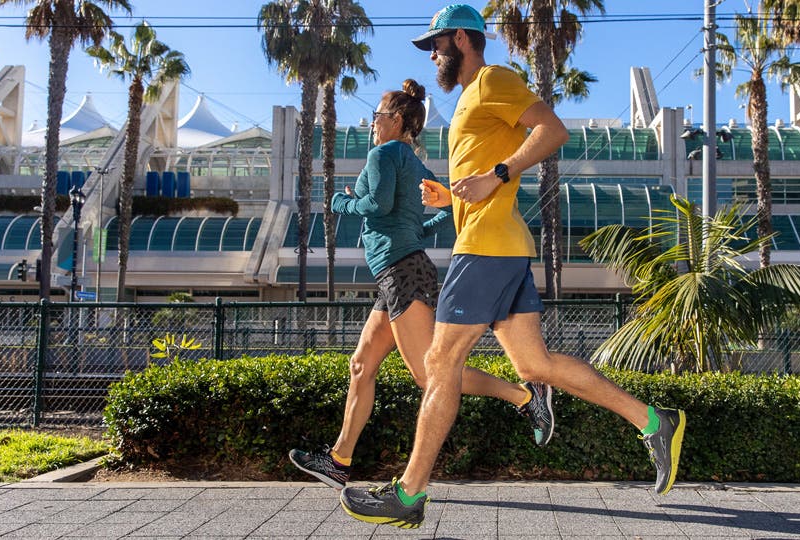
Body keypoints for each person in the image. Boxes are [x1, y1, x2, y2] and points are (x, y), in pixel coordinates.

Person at [339, 5, 687, 529]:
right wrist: (448, 199)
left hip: (484, 250)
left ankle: (408, 496)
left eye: (436, 43)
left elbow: (553, 130)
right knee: (535, 366)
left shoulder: (492, 81)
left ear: (462, 38)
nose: (432, 54)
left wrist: (499, 173)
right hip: (500, 243)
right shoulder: (469, 101)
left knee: (439, 365)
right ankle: (656, 421)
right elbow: (481, 175)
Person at [289, 79, 555, 491]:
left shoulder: (383, 154)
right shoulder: (417, 166)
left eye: (377, 116)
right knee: (360, 365)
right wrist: (414, 230)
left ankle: (525, 397)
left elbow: (375, 205)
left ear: (396, 120)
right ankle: (339, 460)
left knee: (430, 376)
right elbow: (439, 215)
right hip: (398, 270)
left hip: (402, 272)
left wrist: (342, 203)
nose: (372, 124)